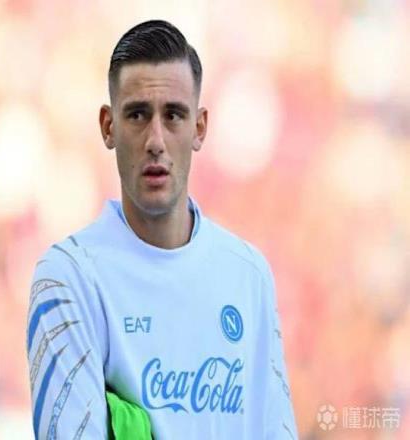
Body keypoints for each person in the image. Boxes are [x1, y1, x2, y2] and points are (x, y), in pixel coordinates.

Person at [26, 19, 298, 439]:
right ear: (108, 126)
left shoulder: (248, 274)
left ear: (199, 128)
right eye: (138, 115)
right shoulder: (70, 278)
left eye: (173, 115)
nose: (156, 139)